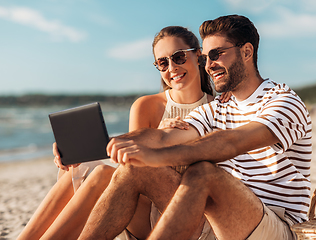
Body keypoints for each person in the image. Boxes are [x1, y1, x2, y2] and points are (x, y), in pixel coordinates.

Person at [78, 15, 312, 240]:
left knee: (203, 173)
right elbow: (162, 137)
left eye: (216, 54)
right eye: (206, 57)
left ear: (247, 52)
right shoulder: (217, 108)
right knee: (133, 169)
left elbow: (232, 142)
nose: (209, 65)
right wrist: (119, 143)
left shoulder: (283, 101)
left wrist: (157, 157)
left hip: (278, 226)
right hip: (221, 223)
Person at [17, 26, 229, 240]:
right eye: (163, 63)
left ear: (199, 56)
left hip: (192, 216)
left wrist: (164, 140)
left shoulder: (219, 108)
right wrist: (72, 154)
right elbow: (130, 169)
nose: (172, 67)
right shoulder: (146, 105)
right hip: (145, 210)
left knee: (101, 173)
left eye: (179, 57)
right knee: (85, 167)